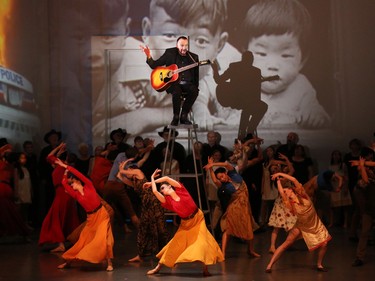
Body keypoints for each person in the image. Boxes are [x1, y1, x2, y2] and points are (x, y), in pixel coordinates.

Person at [240, 0, 331, 129]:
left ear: (302, 61)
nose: (273, 65)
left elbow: (318, 114)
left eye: (286, 56)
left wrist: (314, 116)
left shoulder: (301, 88)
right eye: (261, 53)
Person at [145, 168, 224, 276]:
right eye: (161, 190)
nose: (162, 190)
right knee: (174, 244)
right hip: (186, 224)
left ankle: (205, 269)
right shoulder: (168, 201)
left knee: (202, 241)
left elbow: (167, 178)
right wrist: (151, 179)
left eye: (163, 187)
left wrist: (153, 181)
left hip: (198, 218)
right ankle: (158, 267)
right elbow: (154, 191)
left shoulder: (181, 190)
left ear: (169, 186)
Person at [53, 158, 114, 271]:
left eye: (72, 183)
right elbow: (63, 183)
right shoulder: (76, 195)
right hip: (91, 219)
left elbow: (78, 174)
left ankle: (109, 263)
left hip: (102, 214)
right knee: (82, 241)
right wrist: (64, 170)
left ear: (78, 181)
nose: (71, 186)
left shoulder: (89, 186)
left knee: (104, 239)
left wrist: (67, 167)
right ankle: (68, 263)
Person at [265, 172, 331, 273]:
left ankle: (319, 264)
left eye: (286, 189)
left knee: (325, 243)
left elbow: (294, 180)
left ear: (291, 190)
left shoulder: (302, 194)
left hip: (315, 224)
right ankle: (269, 265)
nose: (285, 191)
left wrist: (279, 173)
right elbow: (281, 192)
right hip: (301, 225)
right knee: (286, 244)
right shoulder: (290, 204)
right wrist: (278, 181)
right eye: (285, 191)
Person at [204, 158, 260, 259]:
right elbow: (215, 180)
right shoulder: (224, 186)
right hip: (234, 205)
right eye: (220, 178)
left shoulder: (233, 174)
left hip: (245, 206)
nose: (221, 179)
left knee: (248, 227)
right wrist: (210, 169)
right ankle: (223, 253)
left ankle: (250, 250)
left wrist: (213, 164)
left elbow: (226, 164)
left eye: (222, 176)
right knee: (228, 228)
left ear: (225, 173)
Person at [212, 51, 276, 139]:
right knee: (261, 106)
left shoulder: (234, 67)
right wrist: (256, 102)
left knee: (249, 108)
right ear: (251, 60)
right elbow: (256, 90)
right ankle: (249, 131)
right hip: (241, 101)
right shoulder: (255, 71)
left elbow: (218, 80)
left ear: (242, 58)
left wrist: (215, 69)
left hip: (238, 101)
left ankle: (243, 134)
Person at [116, 158, 169, 262]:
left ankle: (167, 254)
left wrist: (124, 164)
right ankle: (141, 255)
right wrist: (122, 168)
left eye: (129, 171)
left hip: (154, 203)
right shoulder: (134, 182)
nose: (128, 174)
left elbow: (122, 172)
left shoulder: (138, 172)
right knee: (143, 230)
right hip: (146, 205)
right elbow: (119, 175)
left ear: (132, 170)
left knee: (160, 228)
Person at [140, 35, 199, 126]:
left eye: (186, 45)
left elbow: (196, 76)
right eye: (182, 45)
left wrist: (195, 87)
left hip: (188, 84)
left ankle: (184, 115)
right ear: (177, 45)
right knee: (176, 90)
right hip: (174, 84)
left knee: (194, 90)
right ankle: (175, 116)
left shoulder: (193, 57)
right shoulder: (170, 53)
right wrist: (148, 56)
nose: (184, 48)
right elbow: (154, 65)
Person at [38, 142, 80, 252]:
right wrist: (60, 151)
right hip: (66, 195)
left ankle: (61, 243)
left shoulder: (60, 164)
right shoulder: (65, 166)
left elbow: (49, 156)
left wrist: (58, 147)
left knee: (55, 218)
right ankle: (70, 241)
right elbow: (50, 158)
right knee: (65, 217)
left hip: (62, 195)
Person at [350, 155, 375, 267]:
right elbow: (365, 180)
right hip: (369, 211)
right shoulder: (361, 182)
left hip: (370, 210)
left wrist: (362, 164)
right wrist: (361, 165)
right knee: (364, 233)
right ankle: (359, 258)